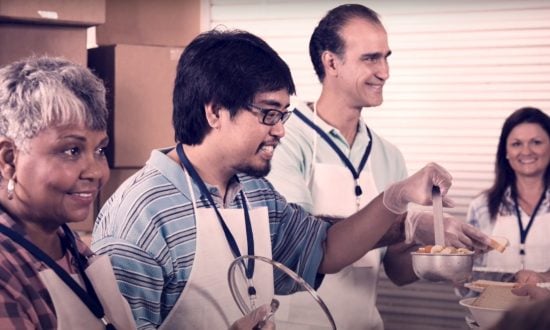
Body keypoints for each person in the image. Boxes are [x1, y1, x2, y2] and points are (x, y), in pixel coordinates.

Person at [91, 29, 487, 329]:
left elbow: (326, 248)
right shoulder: (142, 215)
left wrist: (396, 199)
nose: (280, 130)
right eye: (268, 113)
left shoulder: (254, 193)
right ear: (214, 112)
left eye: (283, 114)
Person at [266, 4, 492, 329]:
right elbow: (301, 243)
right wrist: (409, 224)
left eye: (386, 57)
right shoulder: (285, 139)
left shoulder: (387, 154)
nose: (384, 71)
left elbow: (396, 271)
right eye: (370, 58)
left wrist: (438, 256)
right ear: (331, 62)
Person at [0, 57, 136, 329]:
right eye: (71, 151)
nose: (96, 172)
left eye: (99, 151)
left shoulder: (69, 244)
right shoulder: (6, 272)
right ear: (9, 160)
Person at [466, 107, 550, 278]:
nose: (526, 151)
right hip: (495, 305)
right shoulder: (480, 207)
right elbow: (470, 280)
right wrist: (460, 275)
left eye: (536, 142)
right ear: (506, 151)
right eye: (516, 144)